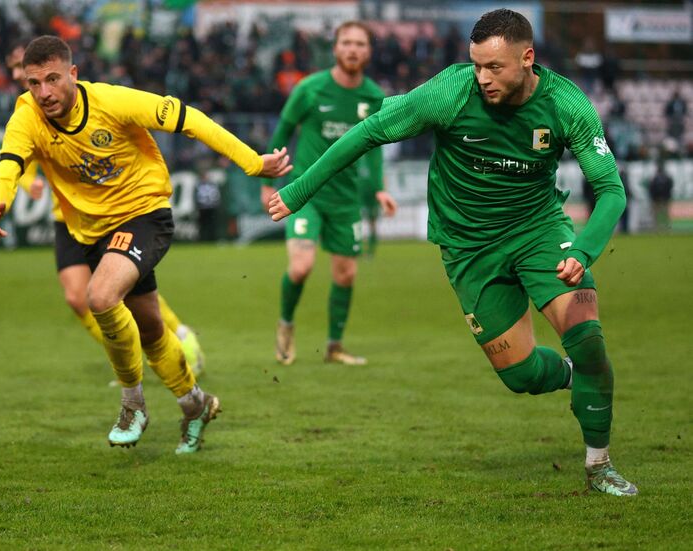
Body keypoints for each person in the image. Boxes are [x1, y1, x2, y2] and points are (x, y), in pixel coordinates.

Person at [268, 9, 636, 496]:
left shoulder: (568, 105)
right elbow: (368, 132)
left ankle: (599, 466)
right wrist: (299, 190)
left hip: (539, 231)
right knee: (521, 375)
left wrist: (585, 252)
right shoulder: (449, 91)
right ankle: (572, 377)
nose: (483, 78)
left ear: (528, 58)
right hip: (468, 249)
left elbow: (611, 190)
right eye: (477, 65)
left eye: (495, 68)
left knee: (587, 336)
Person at [0, 36, 291, 453]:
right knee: (150, 329)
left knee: (101, 296)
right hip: (92, 231)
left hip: (144, 214)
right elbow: (9, 165)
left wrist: (253, 162)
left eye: (53, 79)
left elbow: (190, 119)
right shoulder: (26, 116)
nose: (44, 93)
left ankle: (133, 403)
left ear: (73, 74)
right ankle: (196, 404)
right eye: (34, 82)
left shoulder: (114, 101)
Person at [5, 46, 205, 381]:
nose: (14, 75)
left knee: (123, 292)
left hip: (109, 211)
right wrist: (27, 184)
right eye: (14, 70)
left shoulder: (79, 100)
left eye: (16, 67)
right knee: (78, 297)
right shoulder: (28, 108)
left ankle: (180, 337)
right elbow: (17, 157)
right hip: (65, 215)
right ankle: (128, 361)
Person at [261, 21, 397, 366]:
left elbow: (377, 146)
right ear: (335, 49)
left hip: (346, 199)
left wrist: (379, 188)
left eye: (360, 44)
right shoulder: (310, 89)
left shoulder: (373, 97)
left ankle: (334, 346)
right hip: (305, 194)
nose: (353, 49)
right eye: (347, 43)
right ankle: (285, 325)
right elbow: (283, 130)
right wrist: (266, 182)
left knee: (346, 274)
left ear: (369, 52)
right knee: (301, 267)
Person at [648, 160, 673, 232]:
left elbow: (651, 189)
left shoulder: (654, 179)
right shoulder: (667, 178)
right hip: (663, 199)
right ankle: (666, 228)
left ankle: (657, 228)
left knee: (656, 215)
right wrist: (667, 196)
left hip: (657, 199)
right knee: (665, 214)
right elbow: (670, 187)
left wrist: (654, 197)